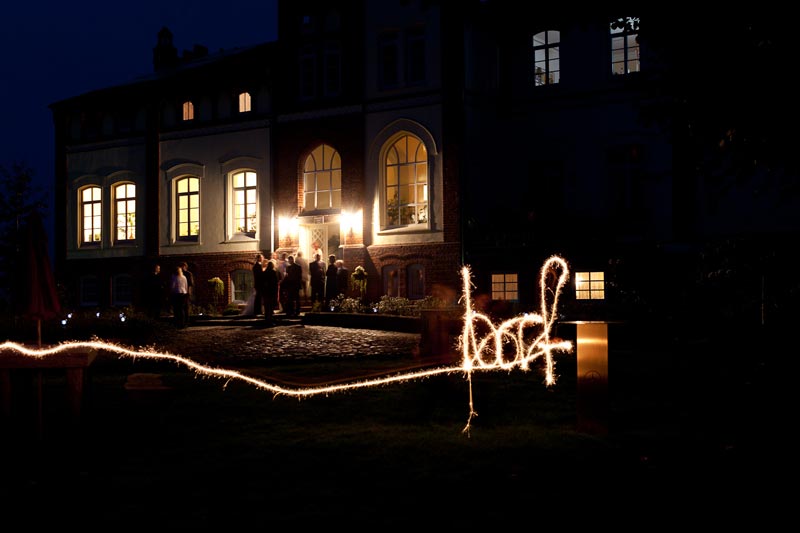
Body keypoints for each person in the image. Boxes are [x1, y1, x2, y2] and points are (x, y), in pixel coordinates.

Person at [262, 259, 280, 325]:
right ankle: (270, 318)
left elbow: (263, 282)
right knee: (270, 305)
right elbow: (275, 282)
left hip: (266, 291)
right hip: (271, 291)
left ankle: (267, 318)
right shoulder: (273, 272)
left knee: (267, 305)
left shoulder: (264, 272)